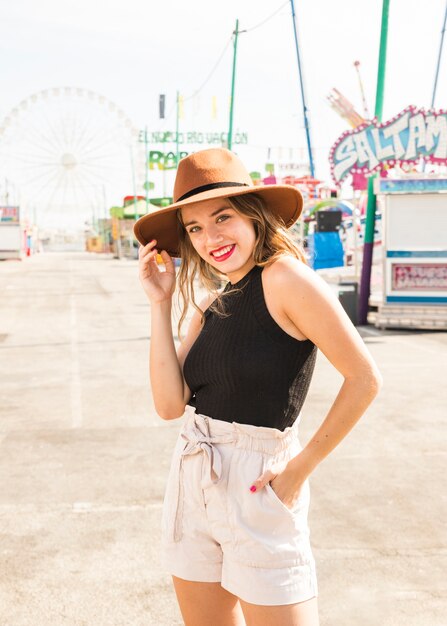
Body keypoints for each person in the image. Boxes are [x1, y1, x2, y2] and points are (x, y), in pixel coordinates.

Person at [135, 148, 382, 626]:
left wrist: (298, 471)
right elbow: (169, 405)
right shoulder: (209, 303)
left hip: (259, 482)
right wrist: (159, 303)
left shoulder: (286, 279)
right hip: (193, 471)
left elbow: (364, 378)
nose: (210, 238)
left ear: (255, 216)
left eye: (222, 217)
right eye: (194, 228)